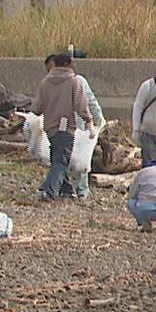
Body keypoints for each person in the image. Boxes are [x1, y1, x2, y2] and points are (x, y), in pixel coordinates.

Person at [33, 53, 93, 201]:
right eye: (72, 62)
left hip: (49, 127)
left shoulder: (45, 82)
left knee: (57, 157)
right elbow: (81, 105)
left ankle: (66, 189)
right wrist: (88, 120)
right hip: (66, 127)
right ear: (66, 64)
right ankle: (48, 190)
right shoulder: (73, 82)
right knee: (61, 161)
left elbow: (37, 108)